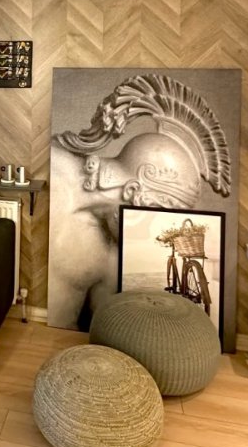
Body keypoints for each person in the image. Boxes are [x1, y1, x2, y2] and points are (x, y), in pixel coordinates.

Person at [48, 73, 232, 330]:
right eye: (159, 213)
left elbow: (115, 331)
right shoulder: (53, 168)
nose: (159, 232)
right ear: (134, 190)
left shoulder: (114, 255)